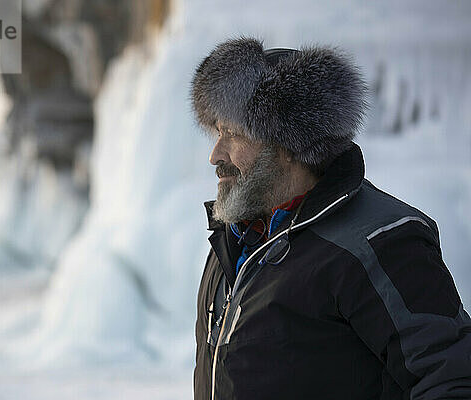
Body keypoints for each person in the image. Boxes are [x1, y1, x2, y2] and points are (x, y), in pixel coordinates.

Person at [190, 37, 471, 400]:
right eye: (217, 131)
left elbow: (452, 379)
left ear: (289, 143)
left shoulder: (380, 243)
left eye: (234, 134)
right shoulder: (233, 245)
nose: (215, 154)